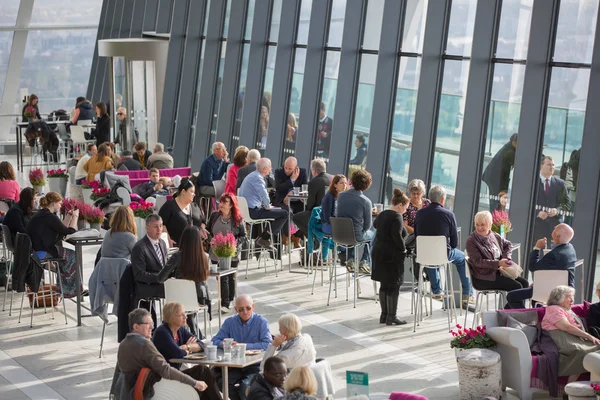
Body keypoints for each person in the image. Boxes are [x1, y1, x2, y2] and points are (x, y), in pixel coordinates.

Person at [118, 308, 209, 398]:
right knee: (202, 372)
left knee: (201, 372)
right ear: (136, 327)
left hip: (132, 390)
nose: (152, 327)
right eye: (148, 324)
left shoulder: (123, 344)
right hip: (157, 388)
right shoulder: (144, 344)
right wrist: (194, 383)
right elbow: (166, 370)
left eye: (152, 323)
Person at [414, 185, 473, 306]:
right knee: (463, 259)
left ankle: (436, 290)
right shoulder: (449, 215)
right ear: (442, 200)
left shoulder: (419, 214)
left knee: (430, 256)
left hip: (422, 255)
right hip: (443, 254)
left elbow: (416, 235)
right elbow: (454, 243)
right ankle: (468, 293)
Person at [151, 302, 221, 400]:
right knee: (202, 371)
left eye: (185, 314)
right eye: (181, 315)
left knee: (203, 375)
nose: (186, 317)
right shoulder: (162, 332)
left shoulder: (180, 330)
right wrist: (186, 349)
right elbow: (178, 353)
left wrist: (188, 347)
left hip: (175, 373)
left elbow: (202, 344)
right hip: (164, 377)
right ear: (171, 317)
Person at [212, 294, 272, 400]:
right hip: (235, 365)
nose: (245, 312)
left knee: (245, 387)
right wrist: (225, 344)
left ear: (253, 307)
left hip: (255, 365)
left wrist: (243, 346)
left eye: (248, 308)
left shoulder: (261, 322)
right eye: (241, 309)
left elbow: (267, 344)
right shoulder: (230, 322)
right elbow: (215, 340)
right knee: (222, 383)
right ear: (236, 309)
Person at [505, 223, 577, 309]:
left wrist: (537, 248)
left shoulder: (554, 255)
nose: (554, 227)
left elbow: (533, 267)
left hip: (552, 291)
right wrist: (540, 281)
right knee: (534, 299)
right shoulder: (570, 249)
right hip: (566, 288)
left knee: (511, 296)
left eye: (556, 228)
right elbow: (556, 271)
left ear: (558, 236)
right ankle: (505, 316)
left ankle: (526, 318)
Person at [157, 226, 211, 335]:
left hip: (178, 299)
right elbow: (204, 278)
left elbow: (160, 278)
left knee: (186, 311)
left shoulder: (176, 257)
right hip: (198, 299)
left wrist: (172, 277)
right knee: (190, 314)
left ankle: (194, 335)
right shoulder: (205, 257)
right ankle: (196, 335)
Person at [26, 192, 80, 298]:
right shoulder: (49, 216)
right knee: (72, 255)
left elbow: (61, 229)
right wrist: (76, 217)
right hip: (41, 253)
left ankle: (66, 289)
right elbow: (70, 231)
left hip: (34, 251)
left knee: (64, 255)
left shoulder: (43, 214)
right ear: (54, 203)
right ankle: (72, 290)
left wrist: (69, 216)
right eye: (59, 203)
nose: (60, 206)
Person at [465, 211, 528, 300]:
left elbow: (508, 244)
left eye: (483, 224)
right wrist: (498, 263)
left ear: (490, 224)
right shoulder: (471, 241)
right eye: (477, 224)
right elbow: (478, 262)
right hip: (483, 277)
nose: (479, 227)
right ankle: (514, 312)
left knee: (525, 283)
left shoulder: (493, 235)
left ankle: (512, 310)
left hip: (498, 273)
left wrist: (506, 257)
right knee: (516, 286)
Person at [541, 286, 600, 380]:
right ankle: (570, 387)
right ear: (558, 298)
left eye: (573, 296)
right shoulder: (554, 309)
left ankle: (592, 383)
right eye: (569, 297)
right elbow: (566, 327)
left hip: (572, 338)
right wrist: (589, 336)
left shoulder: (566, 309)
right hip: (562, 339)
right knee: (584, 352)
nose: (572, 300)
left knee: (592, 349)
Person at [372, 189, 410, 325]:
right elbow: (397, 236)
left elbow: (375, 225)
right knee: (394, 285)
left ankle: (384, 315)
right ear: (400, 205)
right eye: (405, 208)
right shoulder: (397, 217)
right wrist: (403, 249)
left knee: (384, 284)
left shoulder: (382, 214)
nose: (405, 211)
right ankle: (392, 316)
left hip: (379, 252)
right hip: (392, 255)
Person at [206, 193, 246, 311]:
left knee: (230, 277)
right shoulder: (214, 216)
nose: (221, 204)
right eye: (221, 202)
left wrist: (234, 244)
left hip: (231, 253)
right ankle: (226, 302)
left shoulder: (238, 219)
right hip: (215, 252)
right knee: (222, 278)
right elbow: (207, 232)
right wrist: (211, 241)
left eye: (225, 202)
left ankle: (228, 300)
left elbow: (243, 236)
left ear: (231, 205)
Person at [239, 158, 288, 250]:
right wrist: (267, 206)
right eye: (270, 167)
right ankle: (264, 238)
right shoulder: (258, 178)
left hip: (247, 211)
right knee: (284, 214)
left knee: (274, 215)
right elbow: (264, 194)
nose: (271, 169)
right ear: (265, 168)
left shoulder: (252, 175)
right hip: (253, 212)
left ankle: (263, 237)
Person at [337, 170, 375, 274]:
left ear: (352, 181)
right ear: (367, 185)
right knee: (373, 234)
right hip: (355, 237)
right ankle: (365, 261)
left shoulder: (341, 196)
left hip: (338, 235)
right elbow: (367, 225)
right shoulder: (366, 201)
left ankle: (351, 259)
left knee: (351, 231)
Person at [131, 215, 168, 313]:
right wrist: (159, 278)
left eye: (161, 226)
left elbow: (164, 266)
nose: (159, 229)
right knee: (177, 289)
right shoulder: (140, 247)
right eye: (155, 226)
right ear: (147, 228)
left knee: (183, 285)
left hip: (161, 283)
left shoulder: (162, 243)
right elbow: (139, 274)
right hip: (146, 286)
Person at [159, 178, 207, 247]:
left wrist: (202, 229)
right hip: (176, 248)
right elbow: (161, 224)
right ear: (183, 191)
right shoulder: (169, 206)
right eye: (192, 191)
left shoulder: (195, 206)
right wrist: (167, 239)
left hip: (195, 247)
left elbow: (202, 221)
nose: (194, 194)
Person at [534, 156, 571, 244]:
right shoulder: (533, 182)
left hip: (554, 227)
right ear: (541, 166)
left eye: (553, 165)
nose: (552, 167)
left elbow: (567, 204)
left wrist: (557, 210)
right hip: (537, 226)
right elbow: (526, 202)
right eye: (549, 165)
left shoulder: (560, 183)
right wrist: (537, 212)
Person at [293, 159, 330, 238]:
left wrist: (305, 203)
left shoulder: (314, 181)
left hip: (319, 214)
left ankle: (314, 239)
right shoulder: (332, 178)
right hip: (331, 215)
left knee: (295, 218)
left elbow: (310, 204)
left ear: (314, 170)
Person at [482, 133, 517, 212]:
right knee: (496, 201)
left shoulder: (509, 147)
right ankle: (494, 219)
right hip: (495, 178)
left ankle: (495, 218)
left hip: (494, 177)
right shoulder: (510, 152)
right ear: (514, 143)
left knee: (496, 200)